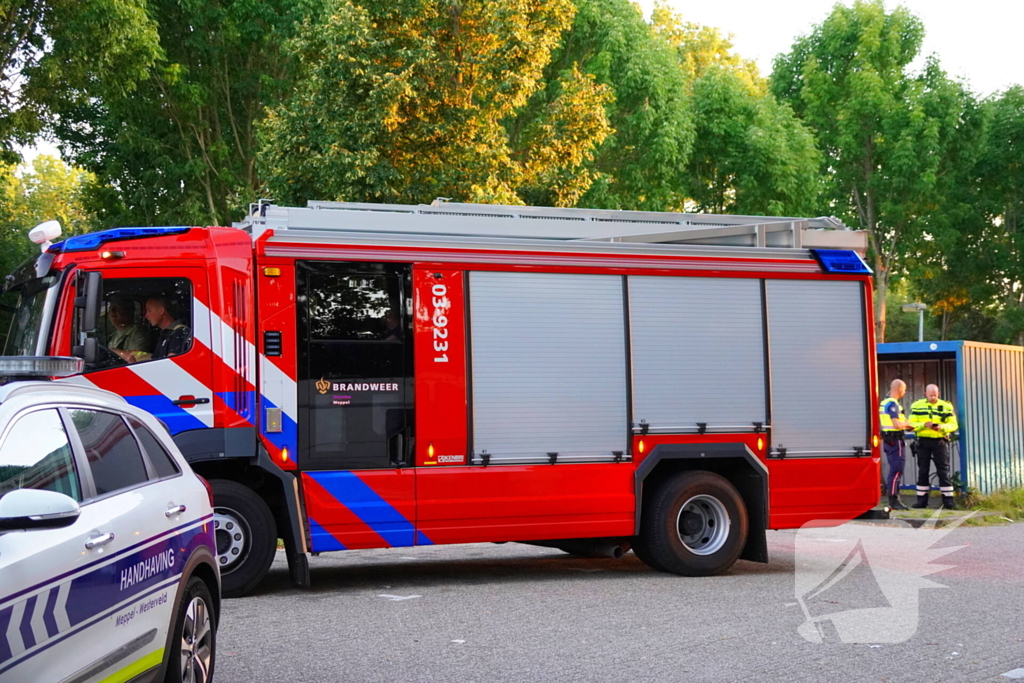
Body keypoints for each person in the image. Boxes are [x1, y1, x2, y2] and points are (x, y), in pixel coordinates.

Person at [909, 384, 959, 510]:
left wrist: (941, 427)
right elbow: (911, 424)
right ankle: (921, 501)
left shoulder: (946, 406)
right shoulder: (917, 405)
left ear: (939, 394)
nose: (933, 397)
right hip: (923, 441)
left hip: (939, 441)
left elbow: (953, 425)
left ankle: (948, 502)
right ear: (925, 393)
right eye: (931, 395)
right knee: (923, 471)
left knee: (943, 470)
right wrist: (924, 425)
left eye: (935, 395)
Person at [879, 379, 911, 510]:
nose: (904, 392)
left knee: (895, 469)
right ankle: (893, 500)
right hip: (895, 441)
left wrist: (908, 426)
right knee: (897, 470)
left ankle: (894, 498)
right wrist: (908, 424)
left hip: (889, 441)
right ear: (899, 389)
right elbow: (897, 424)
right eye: (904, 390)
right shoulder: (893, 404)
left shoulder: (885, 402)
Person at [106, 298, 150, 363]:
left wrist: (113, 351)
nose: (112, 313)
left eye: (116, 309)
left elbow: (140, 358)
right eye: (110, 309)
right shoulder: (113, 336)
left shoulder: (138, 333)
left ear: (128, 312)